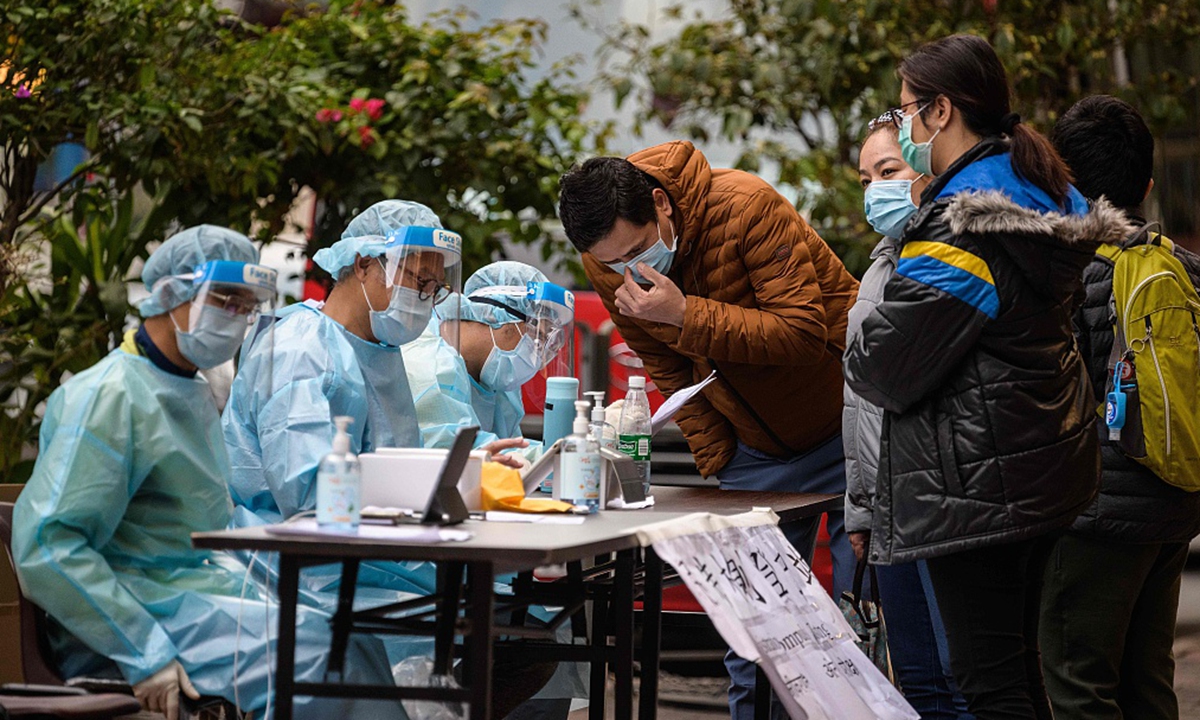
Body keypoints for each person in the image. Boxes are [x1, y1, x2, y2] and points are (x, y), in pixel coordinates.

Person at [842, 34, 1135, 719]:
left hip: (979, 481)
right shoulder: (1029, 192)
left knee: (989, 683)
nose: (905, 125)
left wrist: (856, 345)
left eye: (909, 109)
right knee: (1014, 674)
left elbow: (883, 364)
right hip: (1034, 465)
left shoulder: (960, 227)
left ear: (942, 112)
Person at [11, 225, 402, 720]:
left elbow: (205, 523)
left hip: (198, 595)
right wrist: (142, 649)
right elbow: (47, 546)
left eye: (246, 305)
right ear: (173, 292)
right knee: (321, 656)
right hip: (134, 616)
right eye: (225, 299)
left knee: (356, 640)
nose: (236, 317)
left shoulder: (187, 391)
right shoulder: (107, 396)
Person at [557, 140, 859, 720]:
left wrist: (685, 313)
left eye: (639, 251)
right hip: (753, 453)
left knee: (849, 624)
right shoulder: (608, 257)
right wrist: (724, 460)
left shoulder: (747, 205)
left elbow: (802, 333)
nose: (631, 271)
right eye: (614, 264)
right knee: (755, 638)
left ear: (662, 203)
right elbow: (665, 366)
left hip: (845, 422)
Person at [1039, 94, 1200, 720]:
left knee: (1079, 687)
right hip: (1172, 505)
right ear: (1149, 184)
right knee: (1147, 680)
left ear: (1061, 179)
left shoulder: (1068, 273)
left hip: (1093, 516)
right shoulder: (1183, 268)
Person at [844, 111, 972, 719]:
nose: (875, 191)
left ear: (926, 167)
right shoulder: (877, 268)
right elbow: (858, 404)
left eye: (888, 170)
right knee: (916, 683)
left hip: (946, 508)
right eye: (865, 178)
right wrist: (860, 507)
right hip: (889, 514)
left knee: (965, 679)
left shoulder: (955, 258)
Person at [404, 260, 575, 463]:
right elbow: (454, 459)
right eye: (539, 338)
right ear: (499, 319)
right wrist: (559, 457)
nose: (540, 358)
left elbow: (508, 447)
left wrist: (573, 449)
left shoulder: (498, 381)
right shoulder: (431, 367)